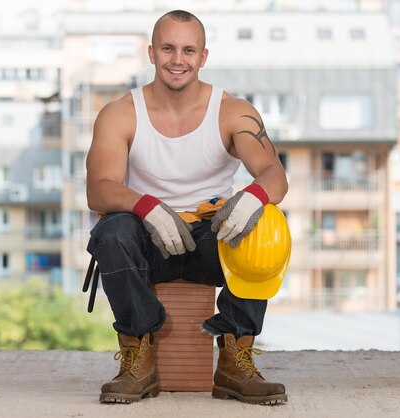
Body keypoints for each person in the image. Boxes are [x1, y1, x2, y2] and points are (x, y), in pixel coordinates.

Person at [85, 10, 289, 405]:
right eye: (168, 48)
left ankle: (235, 357)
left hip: (212, 236)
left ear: (203, 56)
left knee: (266, 224)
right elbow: (99, 190)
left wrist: (253, 197)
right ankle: (137, 357)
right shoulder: (120, 113)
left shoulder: (233, 111)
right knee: (110, 232)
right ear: (151, 52)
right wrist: (147, 206)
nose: (177, 59)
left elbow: (274, 174)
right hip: (146, 239)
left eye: (188, 50)